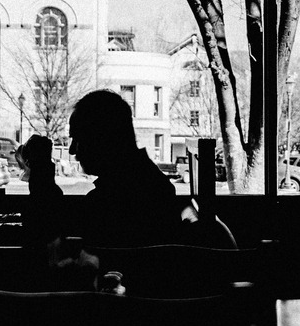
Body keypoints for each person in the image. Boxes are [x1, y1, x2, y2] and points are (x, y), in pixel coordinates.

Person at [17, 90, 180, 254]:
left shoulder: (117, 198)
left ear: (101, 138)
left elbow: (49, 239)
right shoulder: (147, 183)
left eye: (77, 139)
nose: (72, 150)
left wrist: (41, 179)